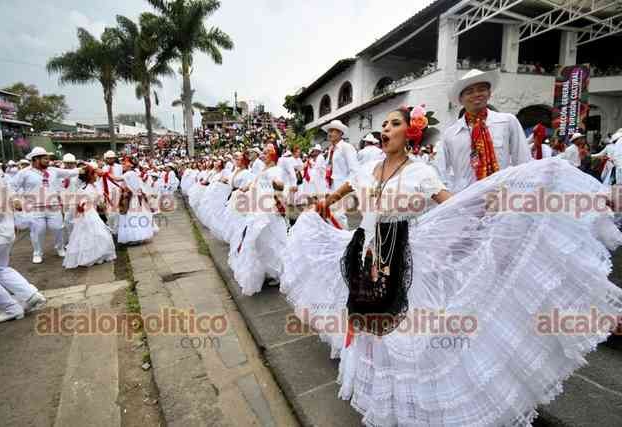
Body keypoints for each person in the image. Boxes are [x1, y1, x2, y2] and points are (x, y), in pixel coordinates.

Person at [281, 106, 622, 426]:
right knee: (370, 329)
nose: (386, 129)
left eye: (395, 123)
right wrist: (321, 205)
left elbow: (454, 205)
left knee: (403, 334)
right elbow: (340, 192)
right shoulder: (366, 170)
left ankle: (411, 405)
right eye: (383, 124)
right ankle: (378, 398)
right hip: (364, 254)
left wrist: (493, 203)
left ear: (410, 133)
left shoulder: (420, 172)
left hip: (402, 258)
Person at [437, 69, 531, 192]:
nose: (476, 94)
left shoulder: (507, 122)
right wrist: (451, 195)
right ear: (461, 99)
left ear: (489, 93)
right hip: (464, 198)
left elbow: (523, 161)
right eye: (469, 92)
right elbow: (440, 171)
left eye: (481, 89)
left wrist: (520, 192)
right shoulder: (451, 134)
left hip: (500, 195)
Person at [0, 148, 47, 323]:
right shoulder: (0, 178)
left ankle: (11, 308)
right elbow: (15, 201)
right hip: (5, 232)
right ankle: (31, 295)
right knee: (1, 269)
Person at [228, 143, 287, 296]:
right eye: (264, 152)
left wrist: (278, 186)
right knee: (260, 241)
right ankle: (268, 270)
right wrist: (246, 187)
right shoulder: (263, 169)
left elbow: (279, 185)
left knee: (272, 240)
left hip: (269, 211)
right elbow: (256, 182)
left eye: (267, 152)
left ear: (274, 155)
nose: (264, 155)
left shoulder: (276, 170)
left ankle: (279, 273)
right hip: (258, 209)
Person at [12, 147, 80, 264]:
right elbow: (11, 186)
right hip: (35, 208)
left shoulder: (53, 170)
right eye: (45, 158)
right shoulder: (24, 173)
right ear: (35, 159)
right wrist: (15, 199)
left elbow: (70, 172)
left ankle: (60, 248)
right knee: (38, 231)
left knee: (57, 228)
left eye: (48, 158)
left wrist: (84, 169)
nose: (48, 161)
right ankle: (37, 253)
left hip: (53, 206)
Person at [63, 165, 116, 268]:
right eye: (94, 174)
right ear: (90, 176)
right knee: (95, 233)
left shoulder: (94, 186)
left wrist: (101, 204)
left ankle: (98, 254)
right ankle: (90, 256)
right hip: (87, 213)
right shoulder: (85, 188)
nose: (96, 176)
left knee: (97, 233)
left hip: (93, 211)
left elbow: (98, 198)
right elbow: (80, 203)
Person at [117, 160, 155, 245]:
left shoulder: (129, 173)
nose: (123, 165)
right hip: (135, 197)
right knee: (135, 216)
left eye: (125, 164)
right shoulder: (133, 173)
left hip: (132, 197)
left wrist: (105, 174)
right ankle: (138, 236)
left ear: (130, 166)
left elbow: (117, 179)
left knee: (132, 216)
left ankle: (134, 237)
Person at [98, 150, 123, 235]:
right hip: (107, 192)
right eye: (108, 158)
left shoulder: (119, 167)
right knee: (109, 211)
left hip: (117, 190)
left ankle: (117, 230)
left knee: (117, 210)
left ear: (114, 158)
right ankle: (111, 228)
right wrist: (102, 192)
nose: (110, 160)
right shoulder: (104, 168)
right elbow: (101, 181)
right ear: (106, 159)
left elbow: (121, 178)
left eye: (112, 158)